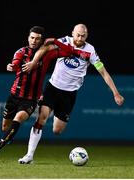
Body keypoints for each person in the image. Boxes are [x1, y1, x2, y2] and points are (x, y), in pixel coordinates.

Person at [18, 23, 124, 164]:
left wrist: (115, 93)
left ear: (87, 36)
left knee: (57, 130)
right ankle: (29, 155)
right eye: (78, 35)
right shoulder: (64, 41)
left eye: (83, 36)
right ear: (72, 33)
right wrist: (33, 62)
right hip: (53, 88)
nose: (80, 38)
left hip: (69, 94)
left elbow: (103, 72)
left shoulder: (90, 51)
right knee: (42, 118)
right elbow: (45, 48)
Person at [0, 25, 77, 159]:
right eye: (32, 38)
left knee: (18, 119)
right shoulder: (21, 52)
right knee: (5, 127)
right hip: (14, 96)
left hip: (30, 99)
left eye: (37, 39)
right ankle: (9, 136)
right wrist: (11, 66)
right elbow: (15, 63)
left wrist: (55, 42)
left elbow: (70, 52)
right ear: (28, 38)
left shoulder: (47, 54)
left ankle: (0, 145)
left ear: (42, 41)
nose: (34, 41)